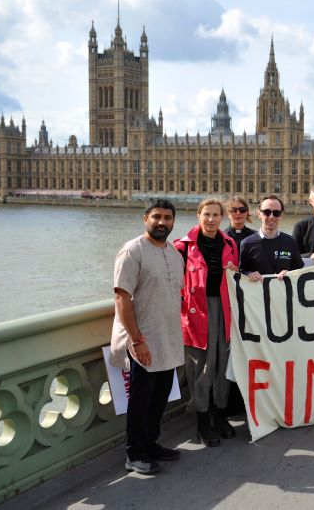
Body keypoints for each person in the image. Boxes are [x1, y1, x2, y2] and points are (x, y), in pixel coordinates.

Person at [109, 199, 185, 475]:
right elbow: (122, 297)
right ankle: (135, 452)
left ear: (173, 222)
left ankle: (151, 444)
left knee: (159, 397)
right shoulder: (132, 251)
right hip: (143, 340)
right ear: (145, 219)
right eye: (156, 217)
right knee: (140, 400)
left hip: (168, 338)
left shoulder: (174, 254)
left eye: (167, 217)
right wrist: (137, 340)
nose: (162, 222)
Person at [174, 199, 238, 447]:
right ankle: (202, 421)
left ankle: (219, 415)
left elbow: (235, 277)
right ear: (198, 215)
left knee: (223, 364)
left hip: (224, 309)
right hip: (196, 313)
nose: (211, 219)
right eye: (206, 215)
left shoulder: (230, 243)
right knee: (200, 368)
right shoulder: (182, 246)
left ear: (222, 217)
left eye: (215, 215)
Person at [240, 195, 304, 279]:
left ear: (281, 215)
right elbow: (240, 271)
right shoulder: (247, 243)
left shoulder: (291, 242)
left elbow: (299, 271)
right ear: (259, 213)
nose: (271, 216)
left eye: (276, 213)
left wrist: (290, 274)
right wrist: (248, 274)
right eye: (267, 212)